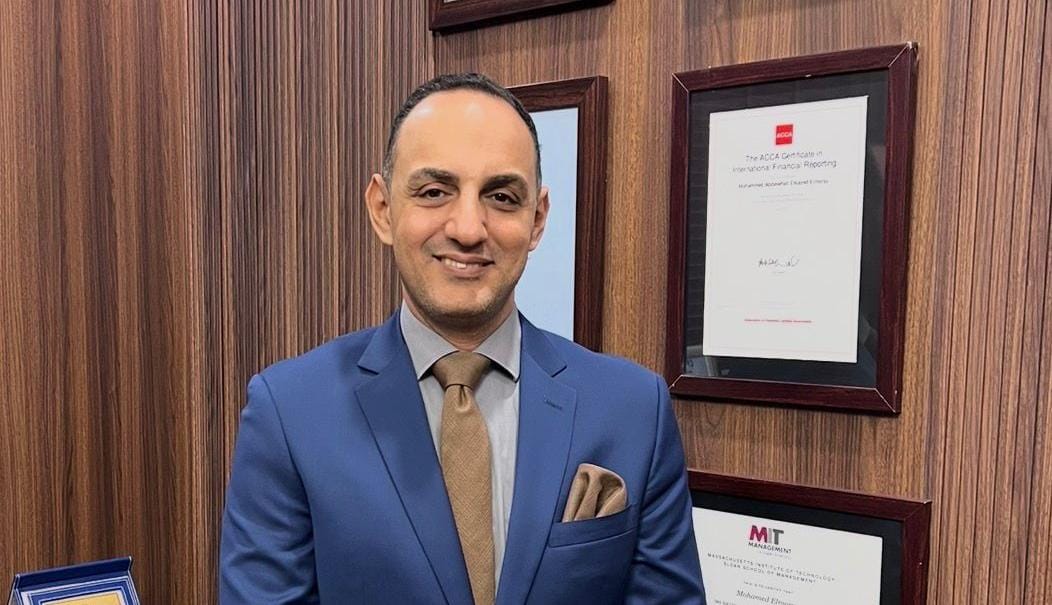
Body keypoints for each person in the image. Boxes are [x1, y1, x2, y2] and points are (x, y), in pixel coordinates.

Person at [219, 73, 706, 604]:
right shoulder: (290, 413)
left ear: (537, 219)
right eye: (434, 192)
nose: (468, 229)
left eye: (501, 196)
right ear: (382, 209)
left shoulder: (633, 410)